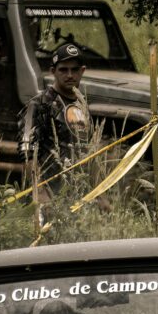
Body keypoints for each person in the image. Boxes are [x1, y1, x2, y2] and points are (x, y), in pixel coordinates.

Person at [18, 42, 92, 210]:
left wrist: (100, 193)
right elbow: (27, 151)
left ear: (82, 71)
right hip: (49, 193)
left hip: (78, 193)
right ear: (53, 72)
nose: (70, 75)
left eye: (74, 69)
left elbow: (90, 150)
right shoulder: (39, 103)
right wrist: (40, 192)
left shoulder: (82, 103)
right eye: (63, 70)